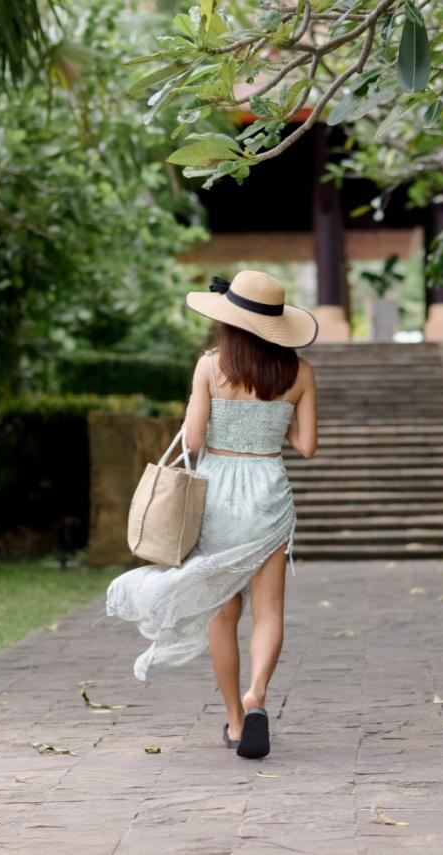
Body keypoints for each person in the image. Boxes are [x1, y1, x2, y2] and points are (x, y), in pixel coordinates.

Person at [106, 270, 318, 759]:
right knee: (270, 613)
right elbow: (306, 446)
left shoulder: (209, 366)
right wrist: (272, 422)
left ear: (229, 320)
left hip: (218, 492)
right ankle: (258, 694)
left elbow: (195, 440)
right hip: (269, 492)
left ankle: (235, 721)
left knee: (224, 615)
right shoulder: (300, 373)